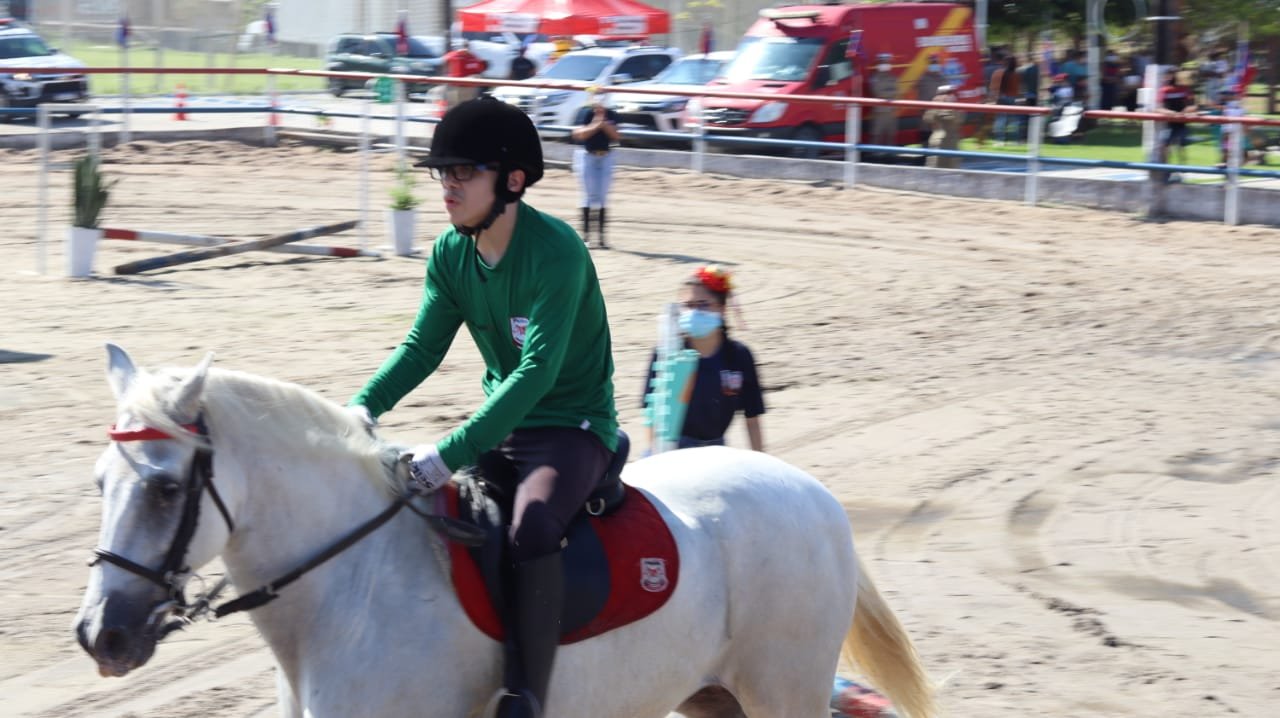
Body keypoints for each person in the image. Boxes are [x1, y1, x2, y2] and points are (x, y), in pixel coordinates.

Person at [347, 97, 618, 718]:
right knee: (429, 519)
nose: (448, 185)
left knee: (532, 528)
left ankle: (528, 694)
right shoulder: (450, 253)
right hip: (504, 423)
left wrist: (449, 452)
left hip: (573, 428)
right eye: (444, 172)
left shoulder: (558, 252)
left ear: (513, 180)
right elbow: (421, 349)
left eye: (464, 172)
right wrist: (361, 409)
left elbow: (535, 373)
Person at [642, 266, 765, 453]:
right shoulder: (667, 354)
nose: (694, 312)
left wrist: (759, 460)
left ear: (722, 309)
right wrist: (656, 458)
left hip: (716, 449)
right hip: (673, 449)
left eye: (703, 304)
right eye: (688, 305)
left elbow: (752, 418)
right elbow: (652, 415)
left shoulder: (739, 356)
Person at [569, 89, 619, 249]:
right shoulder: (585, 112)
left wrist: (604, 123)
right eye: (597, 95)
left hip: (605, 156)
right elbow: (579, 134)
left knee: (603, 197)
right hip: (587, 156)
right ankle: (586, 237)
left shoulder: (612, 114)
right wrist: (597, 123)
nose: (600, 100)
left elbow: (616, 136)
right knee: (588, 196)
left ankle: (602, 239)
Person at [1157, 69, 1197, 170]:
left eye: (1171, 75)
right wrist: (1169, 112)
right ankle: (1166, 170)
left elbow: (1193, 106)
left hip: (1182, 122)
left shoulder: (1185, 89)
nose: (1168, 78)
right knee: (1165, 145)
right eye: (1167, 76)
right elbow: (1158, 108)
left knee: (1181, 146)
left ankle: (1182, 169)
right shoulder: (1164, 90)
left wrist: (1186, 111)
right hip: (1169, 123)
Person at [923, 85, 962, 169]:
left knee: (953, 168)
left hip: (952, 141)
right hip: (939, 140)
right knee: (935, 167)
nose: (949, 96)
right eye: (947, 93)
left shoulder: (955, 104)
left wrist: (951, 107)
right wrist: (938, 107)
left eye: (950, 93)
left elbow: (958, 120)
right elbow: (928, 119)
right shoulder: (935, 104)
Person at [442, 40, 489, 109]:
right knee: (453, 107)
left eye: (466, 46)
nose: (464, 49)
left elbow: (480, 69)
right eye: (463, 46)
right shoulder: (452, 56)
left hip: (468, 88)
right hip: (454, 86)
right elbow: (444, 67)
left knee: (466, 108)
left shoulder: (473, 58)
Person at [988, 54, 1021, 145]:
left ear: (1004, 62)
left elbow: (993, 88)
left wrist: (992, 99)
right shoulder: (1015, 74)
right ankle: (1014, 140)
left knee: (1000, 119)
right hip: (1012, 98)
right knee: (1013, 120)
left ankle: (999, 140)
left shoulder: (998, 73)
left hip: (1000, 98)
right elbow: (1017, 88)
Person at [869, 53, 899, 147]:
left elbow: (897, 91)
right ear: (879, 64)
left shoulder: (892, 77)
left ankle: (890, 153)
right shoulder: (875, 78)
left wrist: (887, 92)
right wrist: (891, 92)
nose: (885, 64)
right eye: (883, 62)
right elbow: (878, 92)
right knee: (877, 135)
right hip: (880, 112)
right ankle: (875, 153)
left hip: (891, 111)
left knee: (891, 135)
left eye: (887, 62)